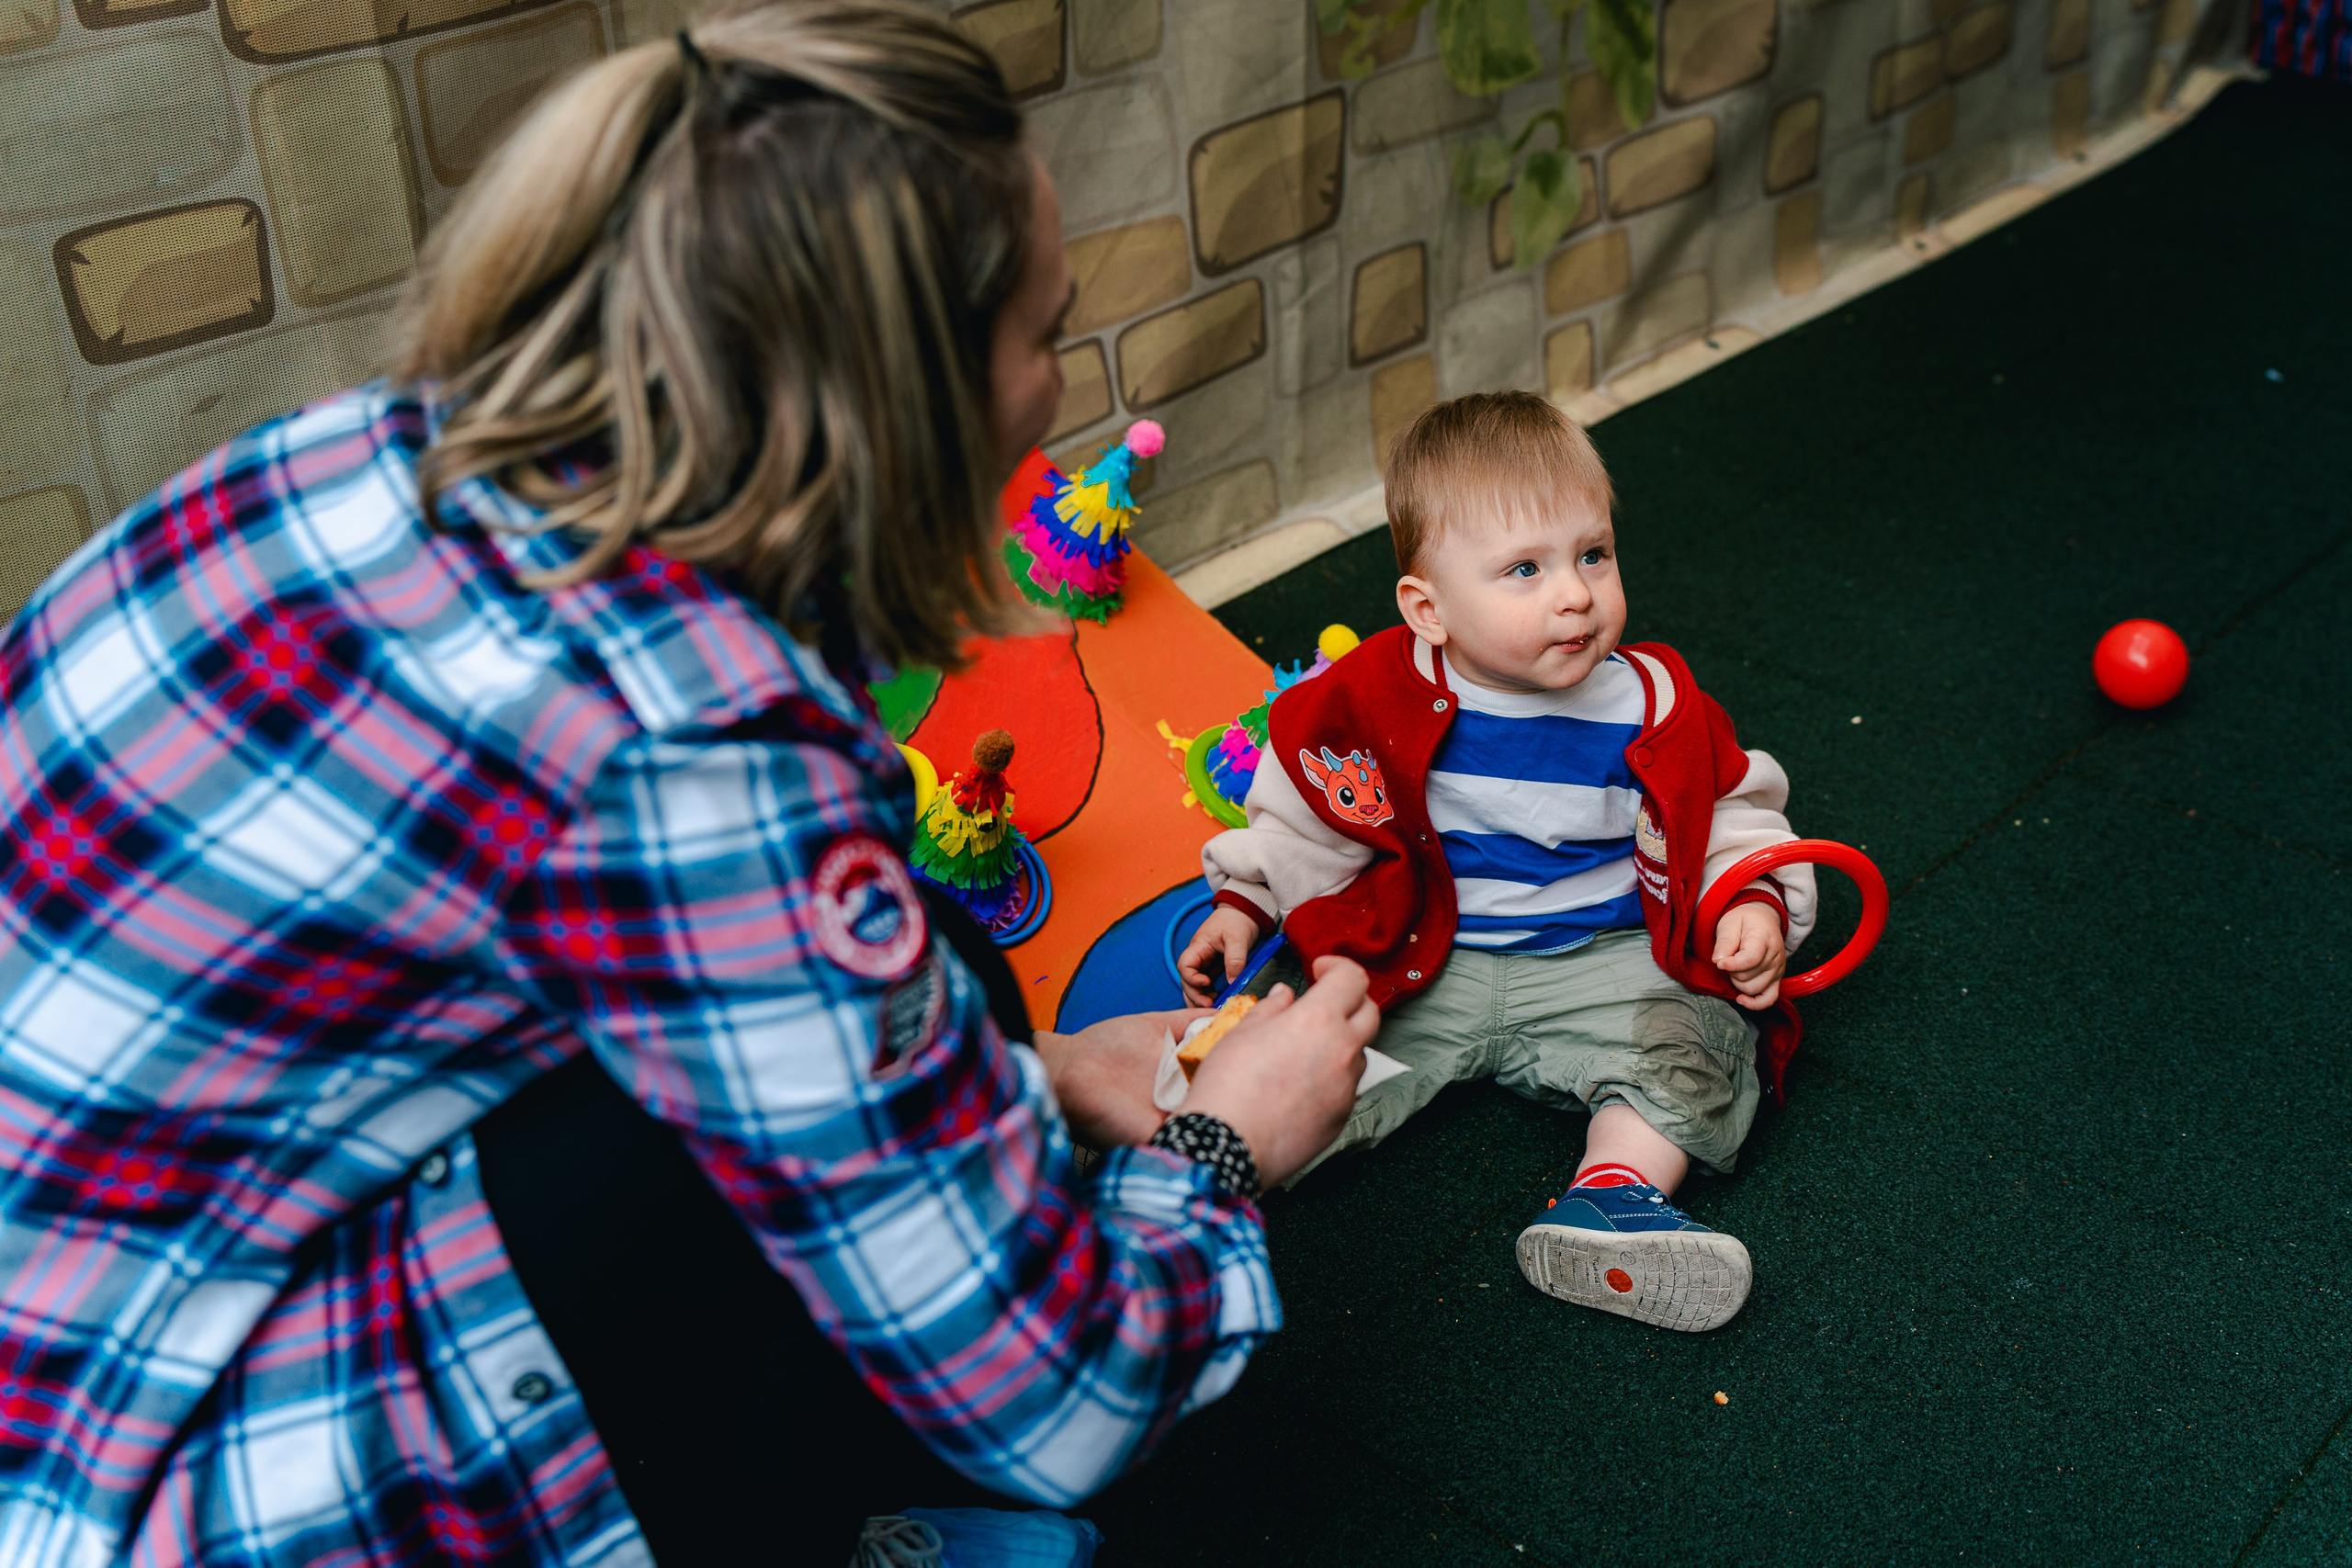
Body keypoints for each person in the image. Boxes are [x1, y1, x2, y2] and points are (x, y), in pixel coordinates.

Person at [0, 4, 1377, 1562]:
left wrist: (1026, 1080)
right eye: (1044, 334)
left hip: (82, 1330)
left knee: (947, 975)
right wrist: (1223, 1149)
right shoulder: (693, 754)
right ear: (905, 397)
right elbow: (1065, 1400)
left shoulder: (335, 456)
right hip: (162, 1499)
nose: (1057, 388)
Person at [1176, 391, 1816, 1334]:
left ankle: (1610, 1196)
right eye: (1523, 569)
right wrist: (1247, 898)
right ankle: (1188, 1169)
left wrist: (1748, 903)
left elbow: (1726, 811)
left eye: (1591, 554)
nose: (1574, 594)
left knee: (1705, 1049)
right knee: (1304, 1064)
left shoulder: (1649, 702)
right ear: (1427, 609)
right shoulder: (1370, 700)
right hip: (1424, 959)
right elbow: (1306, 815)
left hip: (1601, 956)